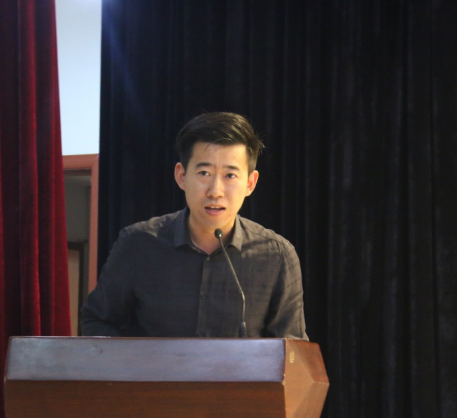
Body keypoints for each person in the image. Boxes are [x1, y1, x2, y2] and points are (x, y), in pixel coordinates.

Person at [80, 112, 307, 340]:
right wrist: (134, 360)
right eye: (204, 173)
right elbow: (97, 319)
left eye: (230, 175)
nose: (215, 191)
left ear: (250, 183)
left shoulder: (277, 255)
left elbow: (292, 347)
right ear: (181, 176)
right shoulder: (138, 244)